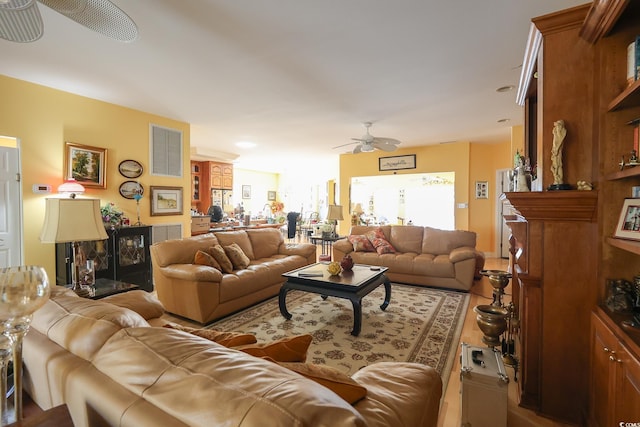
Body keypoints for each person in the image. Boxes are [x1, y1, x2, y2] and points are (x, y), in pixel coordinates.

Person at [551, 120, 567, 185]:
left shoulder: (562, 133)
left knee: (559, 165)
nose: (557, 127)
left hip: (557, 151)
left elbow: (559, 143)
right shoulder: (556, 133)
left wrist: (557, 149)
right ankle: (557, 178)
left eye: (558, 125)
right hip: (555, 151)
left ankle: (559, 180)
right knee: (555, 165)